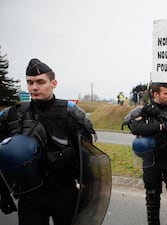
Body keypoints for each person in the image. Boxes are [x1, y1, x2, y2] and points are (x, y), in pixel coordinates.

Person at [0, 58, 96, 225]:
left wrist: (66, 157)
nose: (34, 87)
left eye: (40, 82)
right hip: (29, 196)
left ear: (54, 83)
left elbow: (88, 157)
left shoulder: (71, 114)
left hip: (64, 193)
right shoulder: (14, 115)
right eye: (30, 82)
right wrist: (3, 192)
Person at [125, 83, 167, 225]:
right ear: (155, 94)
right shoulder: (145, 110)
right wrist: (160, 126)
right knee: (152, 197)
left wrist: (166, 123)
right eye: (166, 93)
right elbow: (135, 127)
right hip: (151, 160)